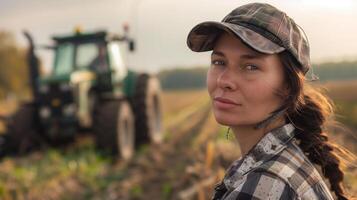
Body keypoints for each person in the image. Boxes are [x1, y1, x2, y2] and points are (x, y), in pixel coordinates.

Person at [186, 3, 352, 200]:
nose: (223, 81)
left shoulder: (265, 186)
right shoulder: (282, 163)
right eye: (219, 62)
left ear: (289, 86)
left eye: (250, 67)